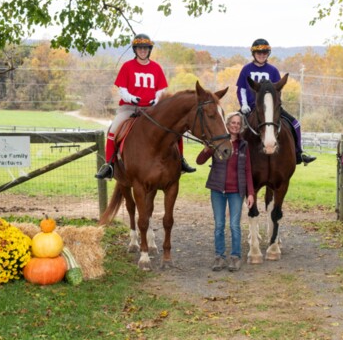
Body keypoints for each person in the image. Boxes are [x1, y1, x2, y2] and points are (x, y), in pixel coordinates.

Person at [95, 33, 196, 179]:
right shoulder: (127, 66)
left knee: (175, 130)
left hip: (152, 109)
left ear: (149, 50)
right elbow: (122, 89)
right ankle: (109, 165)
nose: (143, 50)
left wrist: (156, 101)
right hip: (129, 108)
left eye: (146, 48)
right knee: (113, 130)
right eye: (140, 48)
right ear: (135, 49)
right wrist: (132, 98)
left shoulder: (156, 68)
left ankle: (181, 161)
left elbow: (161, 89)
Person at [236, 38, 316, 165]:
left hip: (272, 108)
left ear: (268, 54)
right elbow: (242, 89)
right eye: (259, 53)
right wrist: (244, 105)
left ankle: (298, 153)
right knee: (231, 125)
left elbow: (277, 91)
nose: (261, 55)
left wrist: (274, 106)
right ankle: (227, 157)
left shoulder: (273, 70)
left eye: (264, 53)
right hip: (251, 107)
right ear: (253, 54)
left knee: (296, 124)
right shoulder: (246, 69)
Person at [196, 112, 255, 272]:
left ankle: (235, 257)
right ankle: (219, 257)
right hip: (217, 190)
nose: (235, 125)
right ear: (227, 124)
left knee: (235, 225)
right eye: (232, 122)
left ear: (240, 126)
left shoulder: (244, 145)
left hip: (236, 191)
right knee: (219, 225)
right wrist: (207, 149)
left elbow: (248, 170)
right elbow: (199, 161)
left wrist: (251, 193)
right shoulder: (218, 142)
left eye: (238, 123)